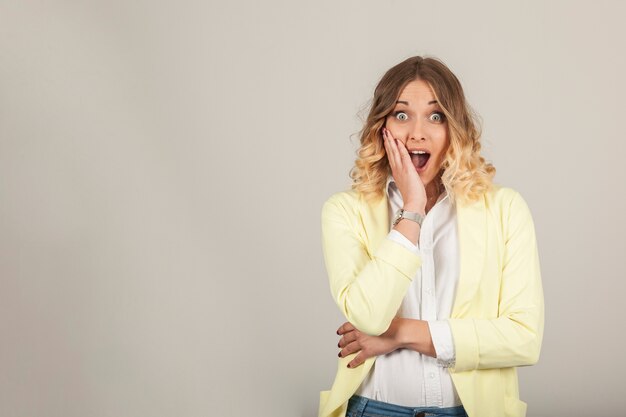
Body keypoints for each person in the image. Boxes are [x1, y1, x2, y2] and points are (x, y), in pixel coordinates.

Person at [318, 56, 544, 417]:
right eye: (402, 115)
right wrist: (412, 211)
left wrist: (401, 333)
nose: (417, 133)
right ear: (382, 127)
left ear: (456, 128)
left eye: (436, 116)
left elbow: (524, 339)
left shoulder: (505, 209)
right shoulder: (344, 210)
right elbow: (369, 318)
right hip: (372, 408)